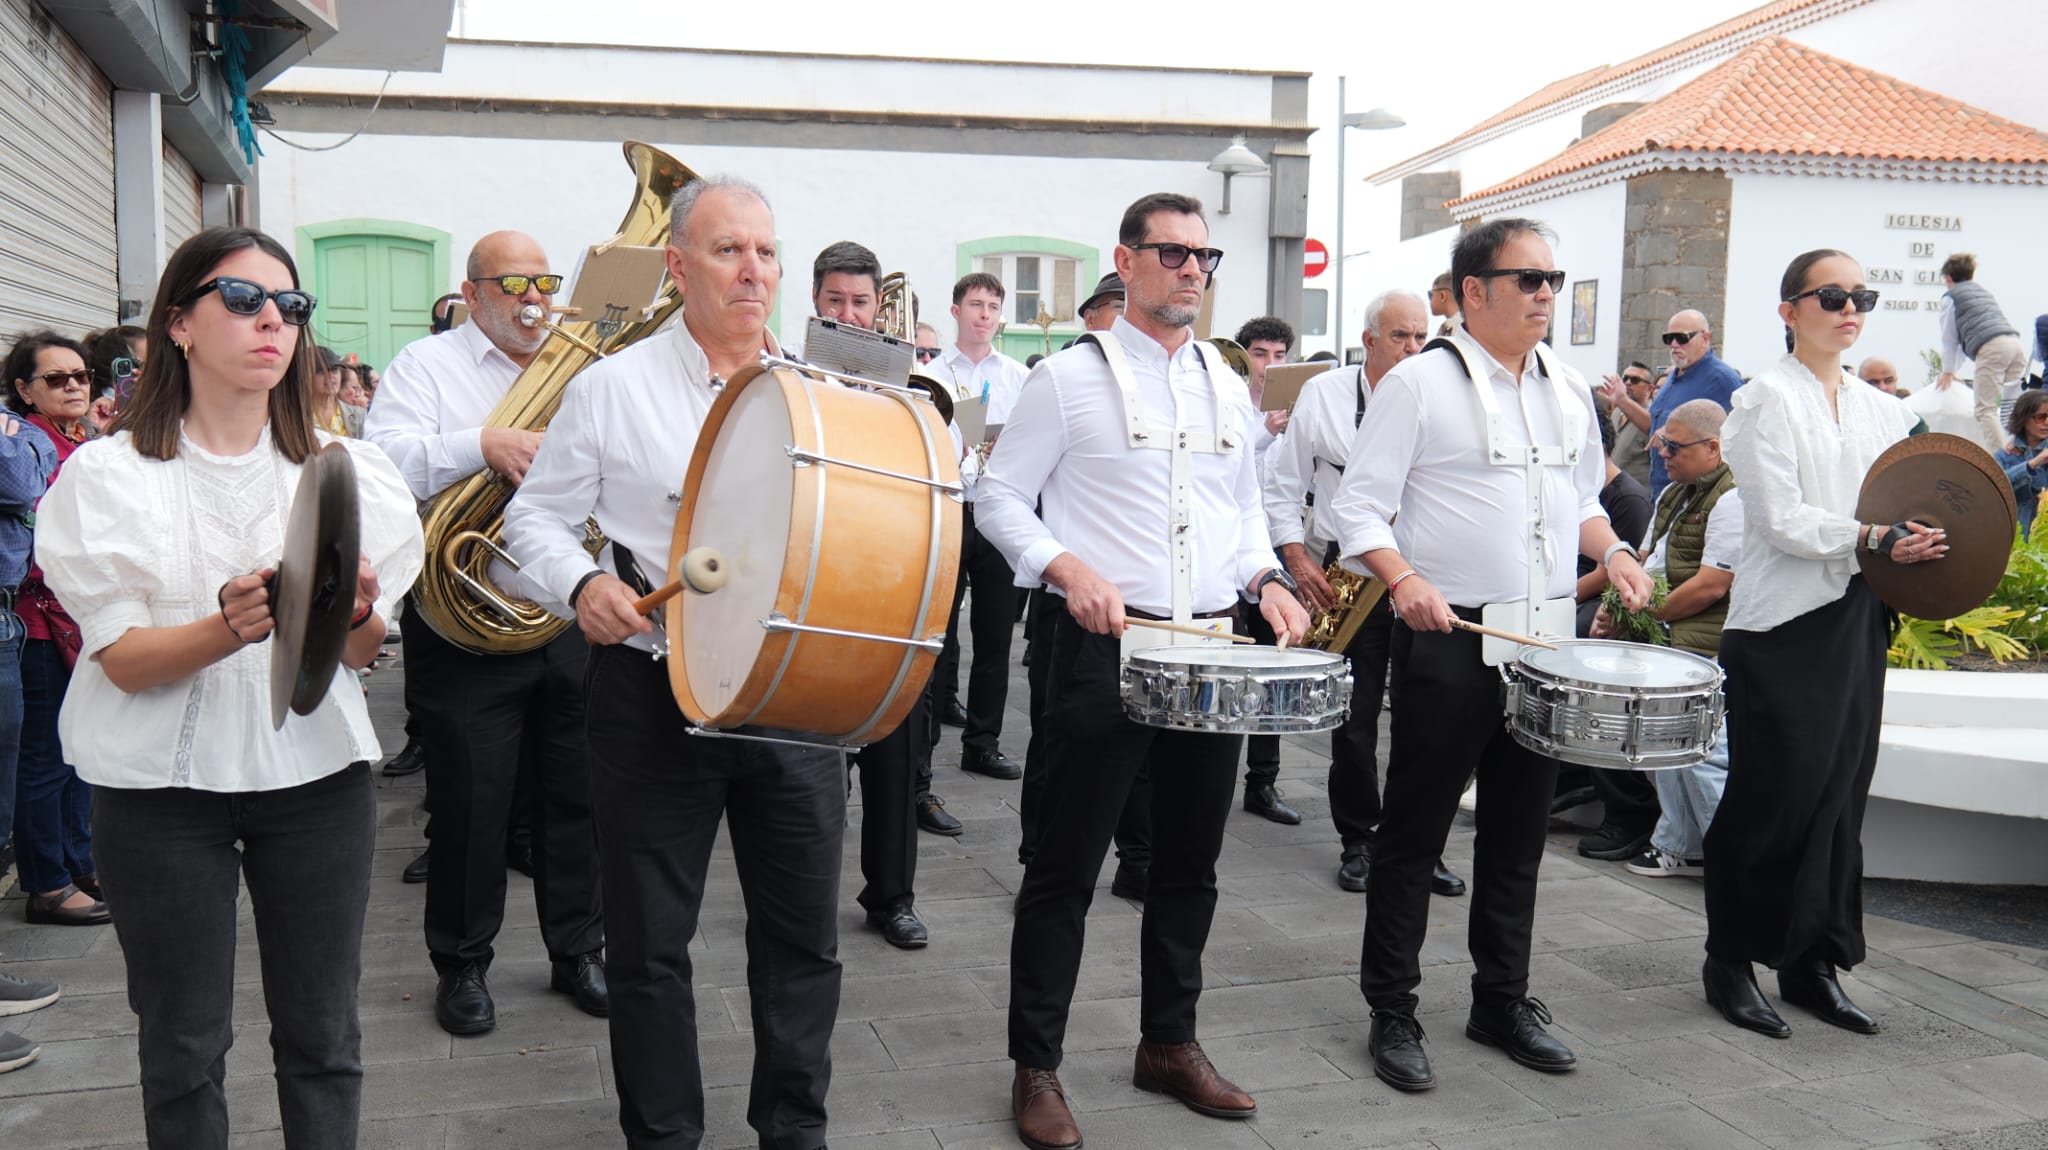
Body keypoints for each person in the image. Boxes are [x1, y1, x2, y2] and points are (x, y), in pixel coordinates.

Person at [37, 225, 423, 1145]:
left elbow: (363, 653)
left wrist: (349, 610)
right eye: (242, 300)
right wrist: (231, 625)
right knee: (181, 1043)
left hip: (317, 783)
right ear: (179, 322)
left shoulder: (344, 468)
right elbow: (121, 659)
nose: (272, 323)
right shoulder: (108, 475)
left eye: (290, 306)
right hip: (158, 797)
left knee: (325, 1035)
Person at [503, 174, 846, 1150]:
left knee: (803, 942)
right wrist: (578, 587)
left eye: (766, 251)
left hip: (792, 698)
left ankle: (794, 1130)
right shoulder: (611, 387)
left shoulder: (823, 394)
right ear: (677, 263)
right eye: (728, 249)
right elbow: (529, 520)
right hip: (652, 694)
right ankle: (663, 1137)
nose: (752, 270)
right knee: (650, 947)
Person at [978, 192, 1310, 1150]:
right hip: (1102, 644)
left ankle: (1169, 1042)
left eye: (1205, 257)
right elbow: (998, 494)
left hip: (1209, 645)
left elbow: (1242, 503)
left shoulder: (1223, 375)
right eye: (1173, 254)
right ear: (1125, 262)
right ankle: (1036, 1065)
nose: (1193, 271)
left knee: (1190, 862)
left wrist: (1266, 576)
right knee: (1065, 866)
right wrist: (1063, 566)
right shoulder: (1066, 379)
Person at [1328, 218, 1652, 1093]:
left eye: (1553, 276)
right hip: (1452, 638)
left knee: (1518, 835)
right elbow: (1356, 511)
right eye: (1528, 278)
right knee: (1414, 832)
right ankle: (1391, 1007)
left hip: (1547, 641)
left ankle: (1500, 999)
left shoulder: (1565, 387)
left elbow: (1582, 494)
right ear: (1473, 292)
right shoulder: (1420, 384)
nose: (1547, 292)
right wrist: (1402, 581)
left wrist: (1613, 552)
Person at [364, 230, 607, 1035]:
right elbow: (382, 463)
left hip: (564, 613)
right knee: (471, 804)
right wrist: (482, 445)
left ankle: (580, 949)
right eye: (512, 284)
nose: (533, 298)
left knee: (577, 796)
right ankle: (463, 964)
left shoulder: (581, 371)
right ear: (471, 294)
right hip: (462, 621)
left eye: (543, 280)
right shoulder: (424, 368)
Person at [1703, 248, 1938, 1041]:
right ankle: (1729, 958)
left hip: (1857, 614)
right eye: (1831, 295)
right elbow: (1780, 520)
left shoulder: (1884, 410)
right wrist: (1874, 534)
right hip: (1779, 627)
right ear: (1788, 310)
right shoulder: (1762, 398)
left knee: (1839, 798)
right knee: (1773, 795)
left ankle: (1811, 961)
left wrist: (1927, 538)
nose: (1849, 308)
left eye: (1860, 296)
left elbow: (1924, 487)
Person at [1264, 289, 1462, 897]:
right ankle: (1359, 839)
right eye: (1401, 336)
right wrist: (1296, 557)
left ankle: (1415, 842)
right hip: (1346, 571)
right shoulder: (1324, 394)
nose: (1412, 348)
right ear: (1369, 339)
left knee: (1427, 716)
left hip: (1425, 571)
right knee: (1352, 713)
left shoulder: (1439, 392)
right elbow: (1280, 483)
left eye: (1421, 337)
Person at [807, 238, 943, 947]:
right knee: (811, 760)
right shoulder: (792, 382)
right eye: (837, 302)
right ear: (815, 304)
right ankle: (803, 894)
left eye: (861, 303)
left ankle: (892, 896)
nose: (851, 315)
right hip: (815, 585)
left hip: (893, 586)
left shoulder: (908, 393)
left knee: (895, 751)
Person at [1596, 399, 1743, 878]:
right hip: (1671, 638)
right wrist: (1618, 604)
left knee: (1702, 753)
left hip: (1707, 645)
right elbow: (1646, 559)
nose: (1662, 455)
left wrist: (1642, 608)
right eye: (1661, 444)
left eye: (1674, 447)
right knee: (1668, 746)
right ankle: (1681, 845)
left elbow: (1712, 585)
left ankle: (1736, 865)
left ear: (1713, 448)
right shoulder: (1676, 492)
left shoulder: (1734, 498)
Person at [4, 333, 106, 926]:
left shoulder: (79, 439)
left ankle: (79, 863)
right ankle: (47, 883)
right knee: (46, 756)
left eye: (81, 375)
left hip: (82, 617)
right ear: (24, 389)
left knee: (77, 750)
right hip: (40, 621)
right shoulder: (24, 442)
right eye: (56, 379)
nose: (73, 386)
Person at [925, 273, 1030, 778]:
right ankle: (928, 731)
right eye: (975, 305)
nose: (984, 314)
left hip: (997, 511)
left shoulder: (1017, 375)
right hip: (947, 507)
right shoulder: (932, 373)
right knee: (938, 629)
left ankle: (982, 742)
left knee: (995, 636)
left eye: (992, 306)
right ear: (956, 311)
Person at [1229, 314, 1301, 825]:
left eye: (1279, 356)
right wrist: (1264, 431)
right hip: (1232, 551)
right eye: (1260, 354)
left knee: (1275, 665)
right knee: (1232, 662)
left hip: (1277, 550)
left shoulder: (1299, 411)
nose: (1270, 365)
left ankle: (1264, 781)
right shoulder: (1233, 407)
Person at [1603, 308, 1741, 498]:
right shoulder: (1673, 377)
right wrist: (1622, 400)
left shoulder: (1721, 379)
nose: (1674, 344)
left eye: (1682, 338)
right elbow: (1653, 429)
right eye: (1669, 339)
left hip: (1694, 496)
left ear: (1705, 338)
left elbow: (1735, 438)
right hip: (1663, 492)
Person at [1936, 253, 2026, 454]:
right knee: (2012, 407)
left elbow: (1950, 339)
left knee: (1985, 409)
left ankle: (2002, 459)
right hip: (2015, 344)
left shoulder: (1951, 297)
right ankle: (2019, 452)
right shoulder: (1984, 293)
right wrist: (1952, 370)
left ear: (1948, 278)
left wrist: (1947, 371)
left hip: (1992, 347)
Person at [1995, 389, 2048, 540]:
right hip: (2010, 538)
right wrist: (2031, 464)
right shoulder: (2004, 455)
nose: (2047, 422)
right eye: (2040, 417)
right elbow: (1996, 487)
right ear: (2023, 418)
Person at [1606, 362, 1655, 488]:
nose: (1628, 383)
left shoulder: (1650, 417)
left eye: (1635, 380)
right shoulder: (1617, 412)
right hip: (1612, 489)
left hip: (1638, 492)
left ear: (1649, 388)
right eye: (1625, 378)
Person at [1428, 270, 1459, 337]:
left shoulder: (1449, 328)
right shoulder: (1469, 325)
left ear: (1442, 296)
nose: (1429, 301)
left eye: (1431, 295)